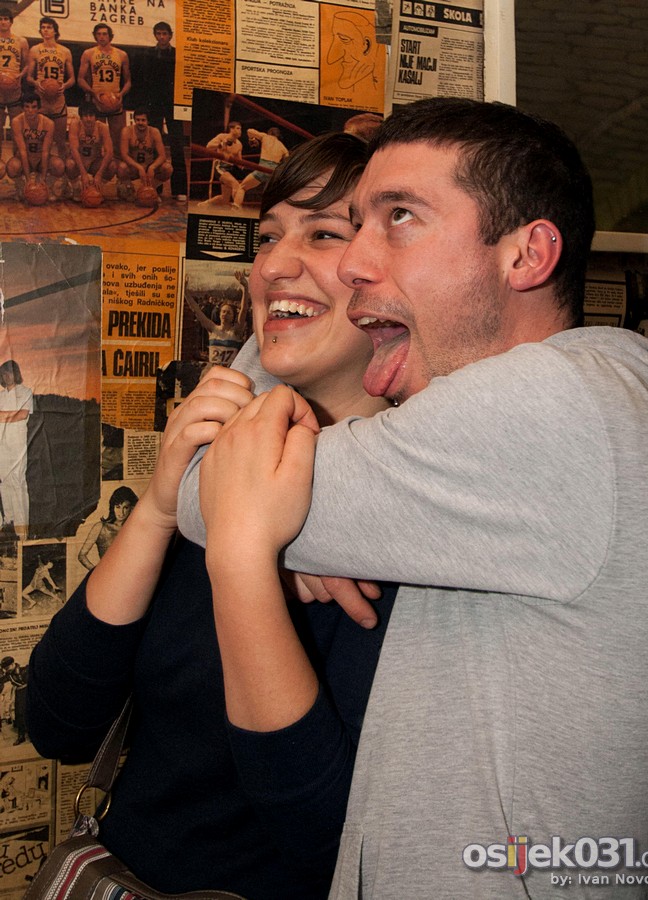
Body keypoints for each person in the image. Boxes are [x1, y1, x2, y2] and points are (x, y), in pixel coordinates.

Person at [178, 98, 648, 897]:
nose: (353, 263)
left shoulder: (551, 404)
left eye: (399, 217)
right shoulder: (573, 410)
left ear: (527, 255)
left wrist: (265, 514)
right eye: (356, 225)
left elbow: (204, 493)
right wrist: (280, 529)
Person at [27, 132, 395, 899]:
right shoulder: (220, 475)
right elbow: (58, 722)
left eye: (324, 233)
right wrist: (165, 503)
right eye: (267, 238)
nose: (272, 265)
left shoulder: (411, 532)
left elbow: (327, 843)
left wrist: (255, 555)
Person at [138, 21, 187, 201]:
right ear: (155, 35)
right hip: (155, 104)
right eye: (158, 33)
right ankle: (155, 189)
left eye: (164, 33)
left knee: (177, 145)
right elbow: (144, 82)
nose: (161, 37)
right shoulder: (149, 54)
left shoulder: (178, 54)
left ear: (170, 35)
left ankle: (180, 190)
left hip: (173, 104)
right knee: (154, 146)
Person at [77, 23, 131, 157]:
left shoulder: (121, 54)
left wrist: (121, 94)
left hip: (115, 101)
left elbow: (128, 81)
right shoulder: (89, 53)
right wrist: (93, 93)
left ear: (110, 36)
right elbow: (80, 79)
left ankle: (117, 166)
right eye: (99, 34)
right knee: (96, 141)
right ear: (95, 36)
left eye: (104, 34)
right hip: (97, 102)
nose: (101, 37)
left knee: (117, 140)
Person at [26, 17, 75, 160]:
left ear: (55, 31)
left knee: (61, 142)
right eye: (43, 27)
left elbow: (72, 79)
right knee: (38, 141)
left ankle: (63, 172)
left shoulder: (65, 51)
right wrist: (36, 83)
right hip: (41, 99)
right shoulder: (35, 50)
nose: (45, 30)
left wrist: (64, 85)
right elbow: (29, 77)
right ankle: (40, 170)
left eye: (49, 27)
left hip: (58, 100)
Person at [184, 270, 250, 369]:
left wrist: (245, 287)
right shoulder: (212, 328)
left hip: (229, 371)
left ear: (233, 316)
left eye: (228, 312)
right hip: (213, 371)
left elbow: (243, 310)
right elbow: (196, 310)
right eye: (223, 311)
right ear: (219, 314)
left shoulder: (236, 332)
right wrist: (185, 292)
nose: (225, 314)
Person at [6, 92, 63, 201]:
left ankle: (47, 187)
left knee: (59, 165)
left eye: (34, 107)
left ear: (39, 108)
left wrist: (43, 178)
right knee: (12, 167)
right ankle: (21, 187)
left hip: (41, 158)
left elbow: (46, 152)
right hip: (25, 157)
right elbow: (22, 151)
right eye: (27, 107)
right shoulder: (17, 121)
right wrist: (28, 179)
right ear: (22, 108)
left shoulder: (48, 123)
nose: (30, 110)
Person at [0, 359, 33, 534]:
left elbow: (22, 415)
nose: (7, 376)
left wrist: (3, 416)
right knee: (4, 481)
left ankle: (21, 527)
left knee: (18, 482)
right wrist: (9, 416)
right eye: (4, 373)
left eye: (10, 372)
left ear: (16, 374)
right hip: (1, 443)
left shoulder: (25, 392)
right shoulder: (0, 395)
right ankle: (9, 520)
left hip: (17, 444)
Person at [116, 107, 172, 200]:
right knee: (122, 167)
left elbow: (162, 156)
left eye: (143, 120)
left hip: (149, 166)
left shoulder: (154, 132)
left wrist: (152, 167)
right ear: (134, 120)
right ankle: (129, 187)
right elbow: (124, 154)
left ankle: (150, 188)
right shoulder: (127, 131)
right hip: (134, 167)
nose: (140, 122)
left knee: (167, 168)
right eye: (138, 120)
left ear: (148, 121)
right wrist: (139, 167)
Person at [78, 485, 138, 571]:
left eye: (126, 507)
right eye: (118, 507)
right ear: (112, 507)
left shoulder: (134, 528)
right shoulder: (100, 527)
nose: (121, 512)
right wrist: (97, 572)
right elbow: (82, 556)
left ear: (131, 508)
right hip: (108, 575)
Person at [66, 101, 116, 198]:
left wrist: (99, 174)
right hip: (79, 161)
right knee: (69, 164)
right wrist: (83, 173)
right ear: (81, 117)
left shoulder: (102, 127)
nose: (88, 119)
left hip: (95, 161)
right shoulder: (75, 125)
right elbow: (74, 150)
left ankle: (98, 186)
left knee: (112, 166)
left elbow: (109, 152)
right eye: (85, 116)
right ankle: (76, 187)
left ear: (95, 117)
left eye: (91, 115)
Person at [232, 126, 289, 207]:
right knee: (274, 195)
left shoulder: (265, 137)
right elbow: (287, 162)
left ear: (270, 133)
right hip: (274, 172)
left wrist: (252, 139)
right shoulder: (283, 147)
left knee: (242, 187)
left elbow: (249, 130)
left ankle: (235, 208)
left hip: (263, 168)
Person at [201, 120, 244, 206]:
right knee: (236, 185)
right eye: (238, 128)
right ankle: (236, 210)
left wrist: (245, 166)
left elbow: (239, 161)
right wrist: (221, 144)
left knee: (225, 199)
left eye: (240, 129)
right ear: (231, 129)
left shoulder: (239, 144)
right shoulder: (222, 136)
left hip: (230, 169)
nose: (240, 131)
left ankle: (204, 204)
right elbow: (208, 146)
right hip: (220, 166)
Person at [0, 8, 28, 128]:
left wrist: (21, 75)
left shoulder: (21, 41)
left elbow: (27, 65)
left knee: (17, 125)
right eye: (0, 19)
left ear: (11, 22)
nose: (3, 22)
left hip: (14, 86)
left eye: (6, 19)